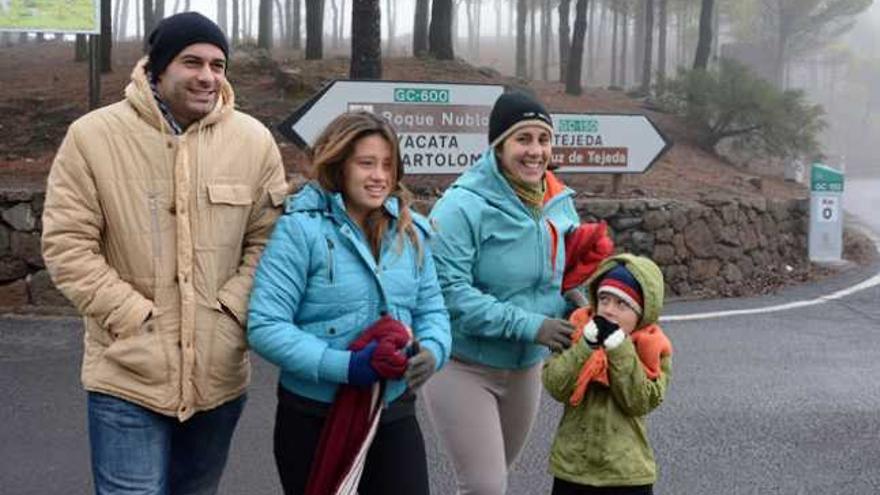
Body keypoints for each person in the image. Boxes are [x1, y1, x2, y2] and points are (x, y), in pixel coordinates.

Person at [41, 12, 288, 494]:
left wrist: (230, 311)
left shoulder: (253, 142)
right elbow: (68, 244)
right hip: (127, 371)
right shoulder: (93, 137)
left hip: (218, 376)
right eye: (191, 61)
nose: (207, 76)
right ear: (156, 69)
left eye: (218, 65)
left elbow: (269, 239)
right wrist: (133, 316)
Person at [246, 111, 451, 495]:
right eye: (367, 163)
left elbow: (432, 310)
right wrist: (345, 366)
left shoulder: (411, 231)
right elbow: (265, 325)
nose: (379, 176)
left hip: (392, 410)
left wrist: (434, 350)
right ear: (339, 165)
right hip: (313, 416)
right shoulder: (299, 229)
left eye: (388, 165)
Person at [423, 90, 581, 495]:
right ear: (498, 145)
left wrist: (576, 300)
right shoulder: (460, 207)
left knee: (491, 482)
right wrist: (534, 326)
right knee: (485, 487)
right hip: (463, 364)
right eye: (522, 139)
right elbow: (450, 294)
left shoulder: (559, 202)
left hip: (526, 367)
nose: (535, 151)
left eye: (543, 139)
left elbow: (562, 276)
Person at [542, 254, 673, 495]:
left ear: (642, 312)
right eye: (604, 300)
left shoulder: (653, 348)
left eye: (622, 304)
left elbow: (640, 401)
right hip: (572, 470)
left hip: (627, 475)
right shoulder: (578, 333)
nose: (609, 310)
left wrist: (619, 348)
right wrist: (584, 346)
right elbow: (555, 386)